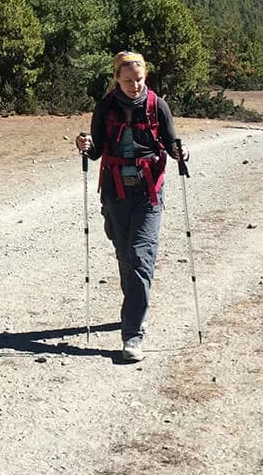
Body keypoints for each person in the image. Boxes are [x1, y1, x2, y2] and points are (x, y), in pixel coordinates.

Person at [74, 50, 187, 362]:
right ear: (116, 79)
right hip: (114, 192)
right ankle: (136, 304)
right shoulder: (106, 106)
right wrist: (85, 145)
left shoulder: (157, 106)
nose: (135, 85)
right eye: (128, 81)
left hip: (149, 193)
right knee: (125, 254)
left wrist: (181, 153)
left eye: (138, 79)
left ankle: (133, 335)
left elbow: (170, 143)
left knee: (140, 253)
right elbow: (96, 151)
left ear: (145, 75)